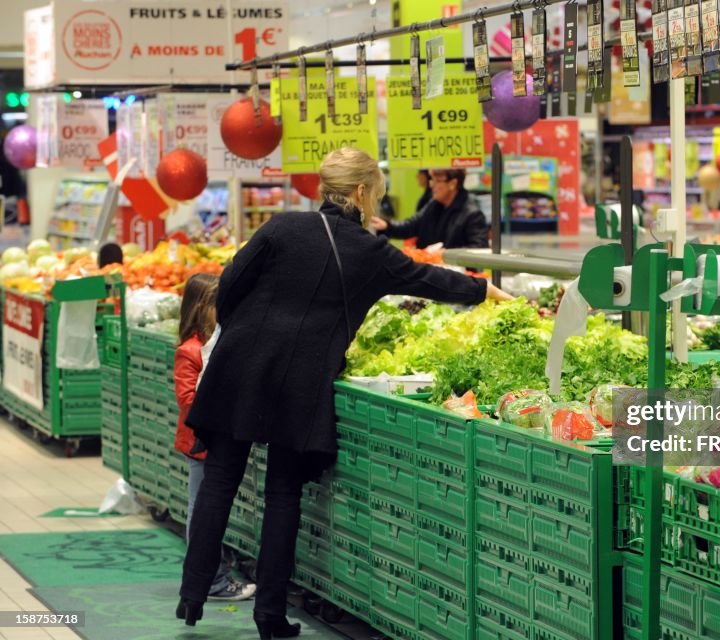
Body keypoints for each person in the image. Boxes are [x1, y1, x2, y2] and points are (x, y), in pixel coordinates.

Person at [176, 147, 511, 639]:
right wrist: (486, 291)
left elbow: (228, 286)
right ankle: (270, 617)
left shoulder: (281, 228)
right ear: (359, 192)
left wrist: (249, 333)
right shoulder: (369, 251)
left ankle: (191, 598)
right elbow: (430, 280)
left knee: (221, 479)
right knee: (282, 494)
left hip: (240, 367)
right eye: (375, 190)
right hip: (301, 382)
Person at [173, 274, 256, 602]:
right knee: (202, 511)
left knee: (206, 508)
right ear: (198, 308)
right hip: (201, 443)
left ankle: (212, 573)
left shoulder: (220, 342)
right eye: (215, 303)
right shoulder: (190, 351)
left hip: (218, 440)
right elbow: (188, 401)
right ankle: (212, 579)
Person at [370, 168, 490, 249]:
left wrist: (447, 254)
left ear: (452, 184)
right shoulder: (433, 205)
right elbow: (411, 225)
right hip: (434, 272)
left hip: (459, 279)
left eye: (437, 181)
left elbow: (478, 250)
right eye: (432, 180)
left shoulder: (472, 215)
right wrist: (387, 226)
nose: (432, 185)